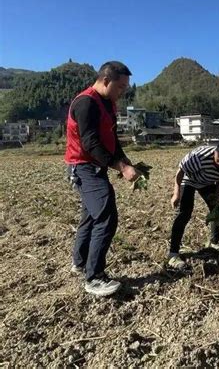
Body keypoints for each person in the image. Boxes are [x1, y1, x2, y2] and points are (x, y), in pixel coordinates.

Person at [65, 61, 140, 297]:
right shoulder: (86, 103)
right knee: (106, 214)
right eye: (120, 87)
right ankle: (94, 277)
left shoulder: (108, 104)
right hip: (83, 167)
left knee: (90, 215)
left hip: (95, 167)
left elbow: (111, 139)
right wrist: (119, 166)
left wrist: (125, 163)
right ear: (106, 81)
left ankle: (79, 262)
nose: (123, 91)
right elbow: (91, 143)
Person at [168, 137, 219, 270]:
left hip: (206, 182)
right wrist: (176, 193)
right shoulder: (198, 158)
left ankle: (213, 242)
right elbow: (180, 172)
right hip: (188, 180)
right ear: (216, 151)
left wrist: (216, 196)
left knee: (217, 209)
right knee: (184, 213)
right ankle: (173, 254)